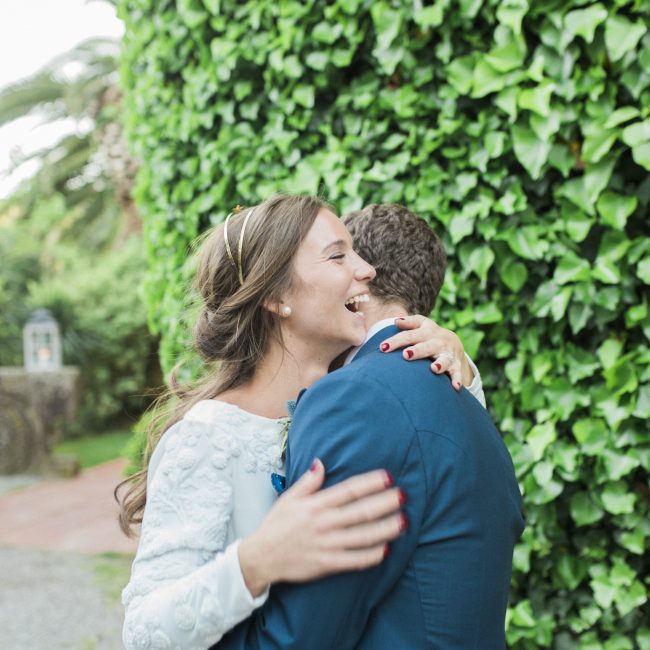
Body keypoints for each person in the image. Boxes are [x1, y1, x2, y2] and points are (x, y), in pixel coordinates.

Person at [118, 195, 484, 650]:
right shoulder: (209, 436)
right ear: (276, 296)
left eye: (357, 251)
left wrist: (457, 359)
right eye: (338, 256)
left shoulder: (359, 409)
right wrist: (254, 562)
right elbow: (142, 633)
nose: (367, 269)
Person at [217, 203, 525, 650]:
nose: (351, 270)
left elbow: (303, 635)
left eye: (345, 256)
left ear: (364, 278)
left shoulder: (352, 400)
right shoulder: (469, 407)